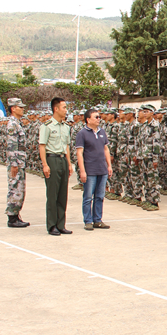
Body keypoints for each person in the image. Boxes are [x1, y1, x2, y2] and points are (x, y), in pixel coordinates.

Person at [39, 97, 73, 236]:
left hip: (62, 160)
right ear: (56, 109)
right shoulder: (47, 126)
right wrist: (45, 165)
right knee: (52, 194)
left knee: (62, 195)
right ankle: (52, 225)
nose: (66, 110)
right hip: (52, 160)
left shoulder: (66, 127)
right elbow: (42, 146)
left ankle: (61, 224)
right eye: (64, 107)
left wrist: (69, 164)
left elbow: (66, 146)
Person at [75, 108, 112, 231]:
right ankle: (88, 220)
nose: (98, 119)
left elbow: (106, 149)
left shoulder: (102, 132)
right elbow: (79, 153)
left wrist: (109, 165)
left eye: (99, 117)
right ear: (88, 119)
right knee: (88, 197)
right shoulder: (82, 134)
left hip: (102, 169)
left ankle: (98, 220)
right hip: (90, 169)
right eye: (96, 117)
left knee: (100, 196)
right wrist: (82, 170)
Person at [5, 98, 30, 228]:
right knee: (15, 188)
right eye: (20, 107)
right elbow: (11, 145)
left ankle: (16, 215)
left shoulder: (17, 123)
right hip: (16, 163)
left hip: (20, 162)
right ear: (13, 108)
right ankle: (12, 217)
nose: (22, 109)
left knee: (19, 189)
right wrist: (14, 164)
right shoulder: (12, 124)